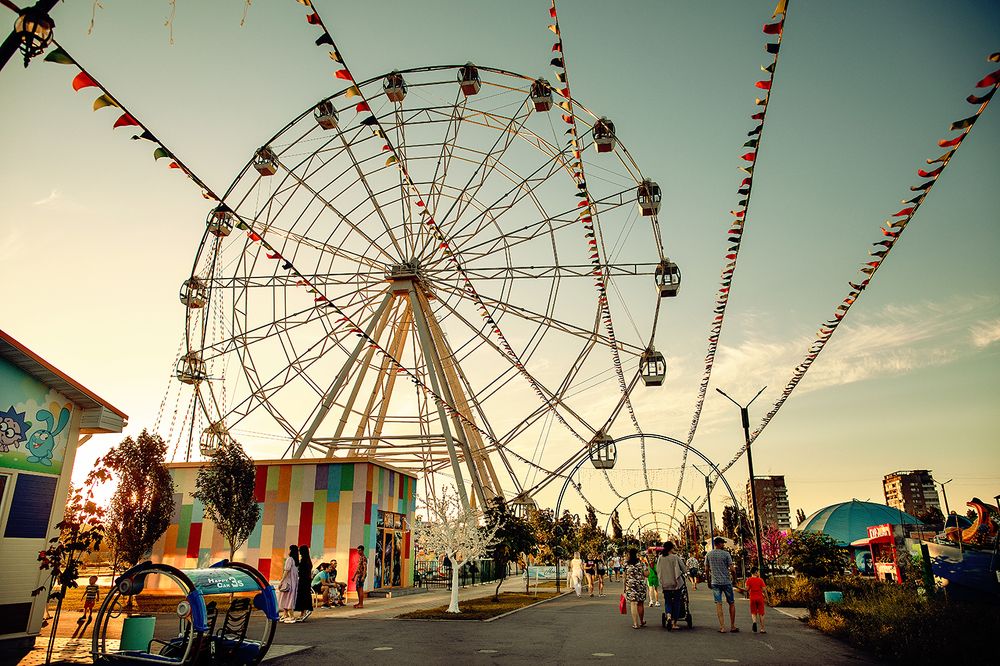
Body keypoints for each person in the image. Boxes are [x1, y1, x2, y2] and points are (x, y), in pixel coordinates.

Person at [705, 537, 738, 633]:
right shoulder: (726, 554)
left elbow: (706, 569)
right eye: (723, 543)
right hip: (726, 582)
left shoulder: (709, 554)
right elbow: (732, 569)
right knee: (731, 603)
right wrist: (735, 579)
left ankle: (722, 627)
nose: (724, 545)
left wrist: (708, 580)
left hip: (715, 583)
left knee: (718, 604)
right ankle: (732, 626)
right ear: (718, 544)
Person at [657, 541, 686, 630]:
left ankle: (668, 616)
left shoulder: (660, 558)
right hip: (676, 583)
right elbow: (683, 568)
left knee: (668, 601)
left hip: (666, 584)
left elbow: (658, 569)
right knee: (677, 602)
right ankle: (674, 623)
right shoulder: (675, 557)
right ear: (671, 548)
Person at [622, 548, 647, 629]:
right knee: (640, 603)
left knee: (633, 603)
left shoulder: (626, 564)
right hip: (640, 585)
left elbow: (624, 577)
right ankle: (642, 621)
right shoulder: (641, 563)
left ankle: (635, 623)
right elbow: (647, 574)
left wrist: (624, 588)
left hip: (630, 585)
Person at [277, 545, 299, 623]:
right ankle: (285, 614)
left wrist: (281, 581)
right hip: (293, 582)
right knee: (288, 597)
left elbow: (286, 571)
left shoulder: (289, 559)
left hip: (288, 582)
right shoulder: (296, 561)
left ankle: (292, 616)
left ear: (291, 551)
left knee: (286, 597)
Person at [745, 566, 768, 633]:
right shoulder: (760, 580)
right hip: (760, 598)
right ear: (755, 572)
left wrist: (740, 587)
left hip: (752, 598)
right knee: (761, 613)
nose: (758, 573)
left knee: (753, 612)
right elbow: (764, 590)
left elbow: (746, 589)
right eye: (758, 571)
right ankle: (762, 629)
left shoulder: (748, 580)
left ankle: (754, 622)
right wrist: (767, 599)